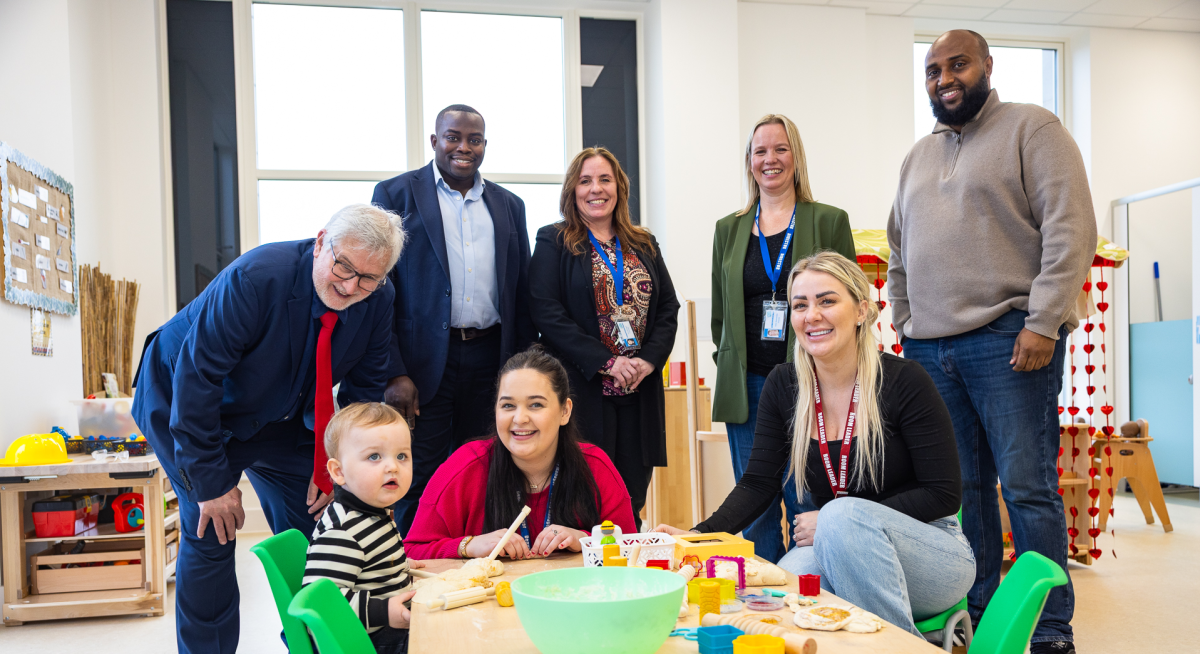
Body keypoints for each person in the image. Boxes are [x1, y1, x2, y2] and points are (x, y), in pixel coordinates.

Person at [890, 30, 1097, 654]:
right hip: (930, 349)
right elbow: (898, 250)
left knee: (1027, 489)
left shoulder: (1033, 129)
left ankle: (1049, 628)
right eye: (933, 70)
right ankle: (977, 616)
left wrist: (1043, 322)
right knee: (963, 493)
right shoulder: (917, 157)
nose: (944, 79)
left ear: (987, 66)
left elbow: (1072, 229)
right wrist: (905, 320)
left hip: (1010, 339)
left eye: (957, 65)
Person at [131, 204, 405, 654]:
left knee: (320, 523)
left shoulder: (379, 297)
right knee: (211, 529)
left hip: (280, 410)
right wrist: (211, 484)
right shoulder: (256, 278)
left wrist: (341, 468)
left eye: (368, 279)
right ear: (321, 243)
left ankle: (312, 642)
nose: (350, 286)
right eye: (343, 267)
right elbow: (197, 379)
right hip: (188, 400)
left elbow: (363, 393)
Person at [656, 252, 975, 638]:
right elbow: (757, 483)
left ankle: (895, 646)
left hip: (932, 554)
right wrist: (698, 535)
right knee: (785, 588)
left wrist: (834, 520)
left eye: (827, 301)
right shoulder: (784, 384)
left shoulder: (904, 380)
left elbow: (943, 494)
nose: (812, 316)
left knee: (840, 517)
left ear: (861, 310)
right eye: (800, 305)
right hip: (835, 544)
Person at [372, 104, 536, 534]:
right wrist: (394, 371)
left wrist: (521, 369)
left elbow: (520, 293)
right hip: (422, 365)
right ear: (435, 141)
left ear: (484, 145)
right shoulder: (395, 195)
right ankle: (416, 559)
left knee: (485, 468)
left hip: (491, 358)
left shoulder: (509, 205)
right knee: (419, 472)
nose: (464, 147)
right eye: (453, 137)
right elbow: (379, 292)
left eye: (474, 140)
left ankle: (480, 558)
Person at [711, 114, 856, 563]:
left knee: (806, 498)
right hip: (749, 383)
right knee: (754, 499)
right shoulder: (728, 228)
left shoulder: (828, 220)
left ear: (796, 157)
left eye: (780, 149)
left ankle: (811, 588)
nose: (769, 159)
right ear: (749, 161)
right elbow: (720, 314)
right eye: (760, 151)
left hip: (811, 379)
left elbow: (850, 300)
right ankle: (764, 591)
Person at [529, 147, 679, 530]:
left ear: (619, 188)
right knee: (582, 501)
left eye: (605, 179)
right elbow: (546, 311)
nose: (596, 189)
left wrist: (647, 361)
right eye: (586, 181)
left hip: (638, 392)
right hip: (583, 391)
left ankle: (627, 563)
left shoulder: (643, 242)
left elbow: (668, 308)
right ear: (572, 190)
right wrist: (607, 362)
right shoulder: (554, 241)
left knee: (629, 500)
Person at [404, 346, 637, 560]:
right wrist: (467, 546)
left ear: (565, 411)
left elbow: (633, 553)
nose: (520, 418)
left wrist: (585, 540)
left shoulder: (595, 466)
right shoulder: (465, 466)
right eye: (508, 405)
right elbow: (412, 552)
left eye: (536, 405)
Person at [304, 402, 423, 654]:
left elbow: (368, 566)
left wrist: (398, 566)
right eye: (374, 457)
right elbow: (321, 606)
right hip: (367, 642)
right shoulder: (343, 531)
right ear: (339, 471)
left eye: (402, 456)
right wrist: (385, 611)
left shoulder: (371, 511)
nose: (393, 466)